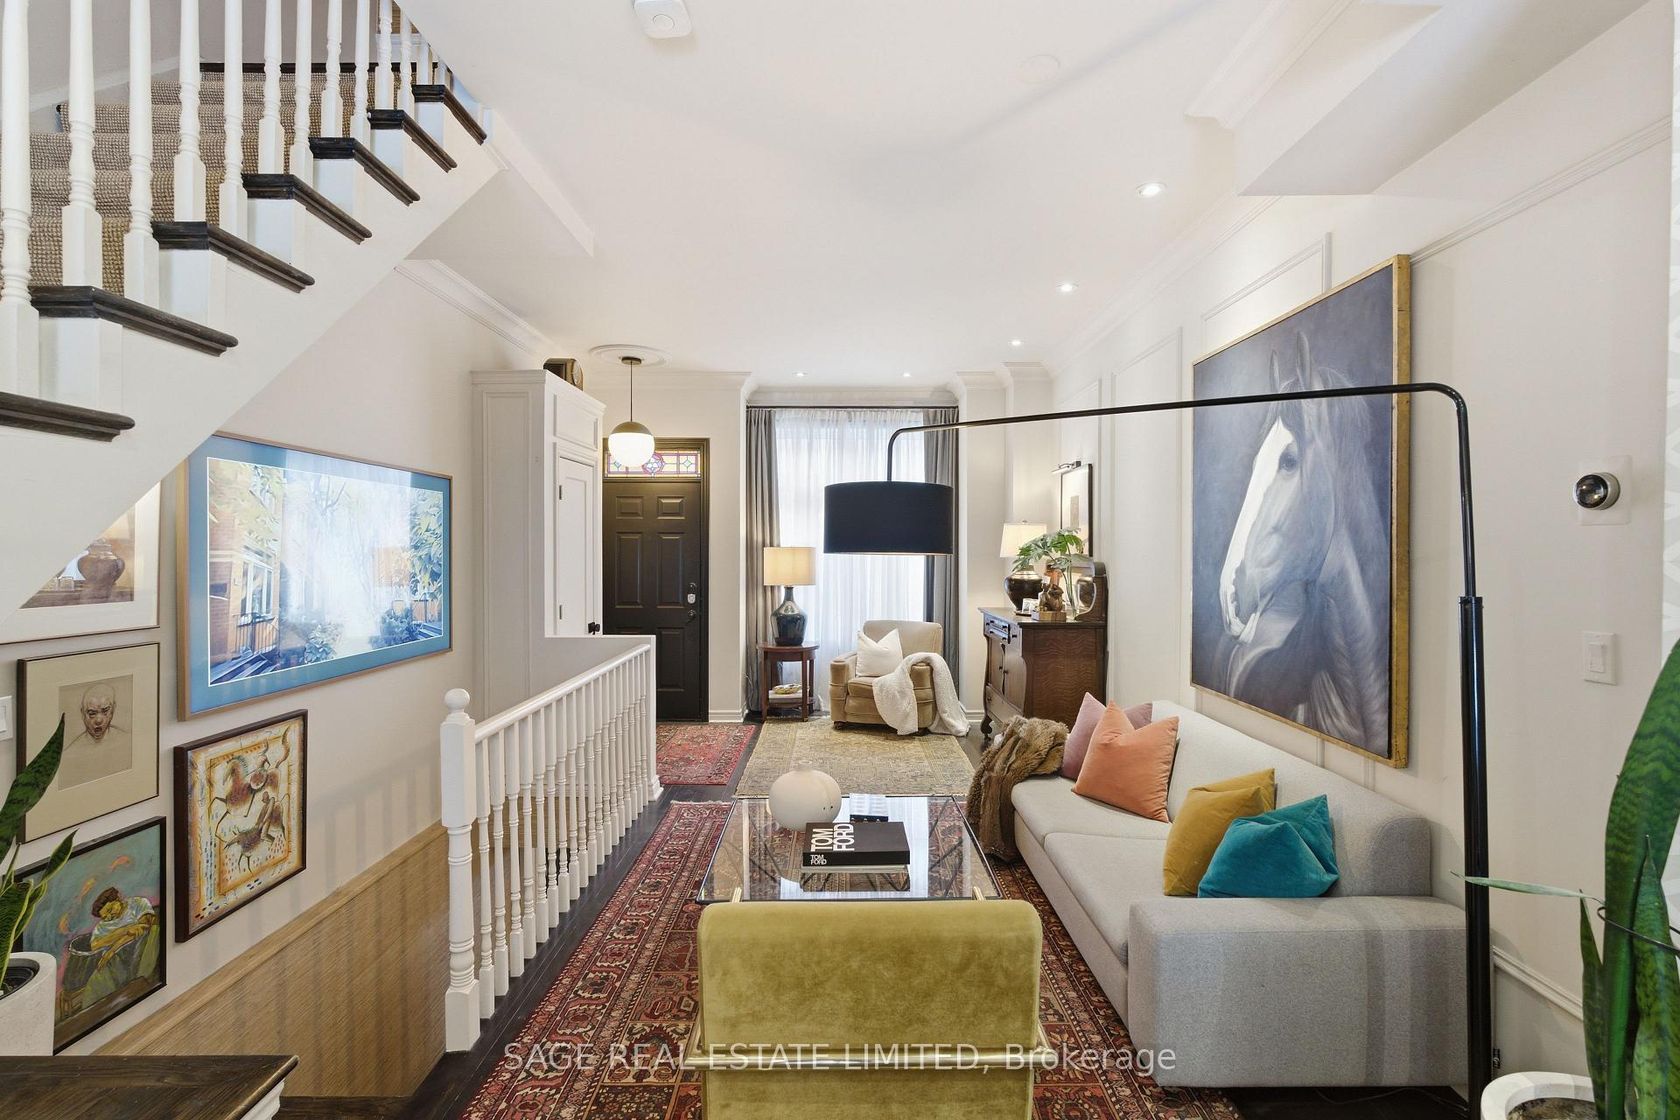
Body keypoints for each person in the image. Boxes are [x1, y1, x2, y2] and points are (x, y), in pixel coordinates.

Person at [58, 682, 132, 788]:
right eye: (92, 713)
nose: (98, 720)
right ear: (83, 713)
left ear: (113, 709)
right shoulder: (69, 754)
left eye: (105, 711)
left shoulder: (127, 740)